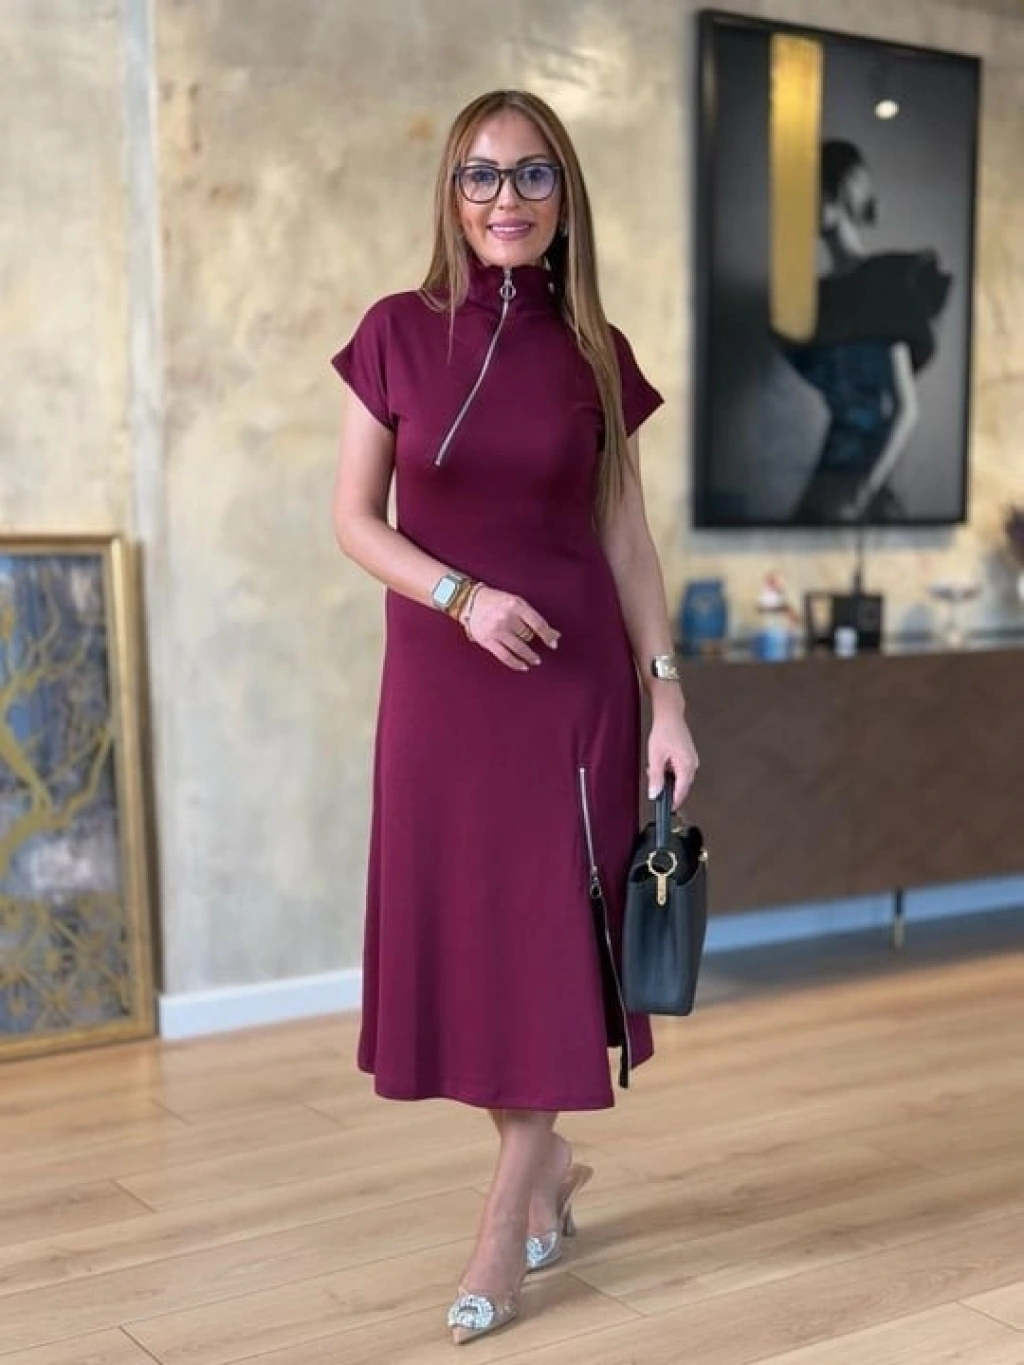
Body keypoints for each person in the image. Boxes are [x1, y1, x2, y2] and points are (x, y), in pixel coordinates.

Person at [330, 89, 698, 1345]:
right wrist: (462, 598)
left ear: (564, 197)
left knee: (548, 939)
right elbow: (354, 522)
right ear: (451, 194)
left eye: (533, 175)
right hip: (442, 694)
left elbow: (625, 538)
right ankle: (547, 1170)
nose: (506, 198)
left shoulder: (596, 352)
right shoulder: (393, 332)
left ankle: (502, 1220)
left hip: (573, 689)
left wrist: (666, 694)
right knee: (476, 941)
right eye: (482, 175)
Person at [780, 139, 952, 524]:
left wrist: (861, 495)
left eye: (812, 191)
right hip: (828, 467)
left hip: (866, 479)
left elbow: (907, 410)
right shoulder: (817, 299)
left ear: (837, 192)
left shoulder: (885, 280)